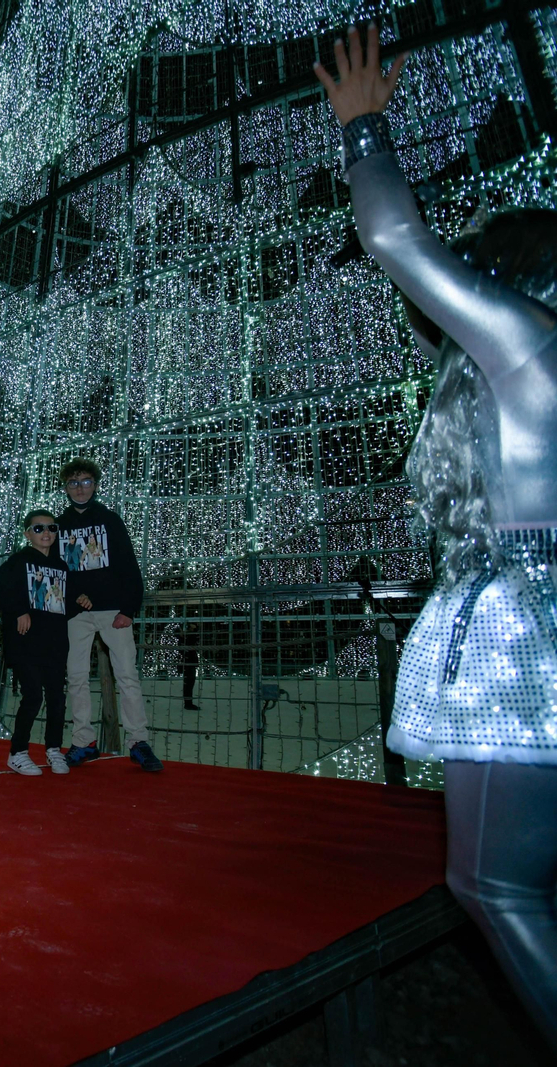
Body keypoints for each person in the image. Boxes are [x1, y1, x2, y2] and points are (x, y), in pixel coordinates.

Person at [316, 25, 556, 1043]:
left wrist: (364, 127)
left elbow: (398, 242)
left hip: (530, 634)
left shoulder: (529, 342)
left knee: (493, 884)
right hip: (526, 611)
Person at [56, 458, 162, 772]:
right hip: (75, 613)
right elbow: (59, 571)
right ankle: (83, 740)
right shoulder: (59, 525)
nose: (79, 488)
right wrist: (75, 597)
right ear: (65, 487)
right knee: (75, 677)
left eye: (86, 481)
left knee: (127, 676)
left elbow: (128, 565)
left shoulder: (110, 520)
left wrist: (128, 608)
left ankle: (138, 741)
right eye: (73, 483)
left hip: (113, 611)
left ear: (96, 484)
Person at [0, 511, 72, 776]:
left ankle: (53, 750)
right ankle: (18, 752)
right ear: (27, 533)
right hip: (26, 643)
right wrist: (18, 610)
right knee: (33, 696)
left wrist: (82, 599)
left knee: (57, 698)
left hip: (55, 642)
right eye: (38, 529)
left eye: (51, 527)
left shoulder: (62, 565)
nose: (45, 532)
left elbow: (63, 603)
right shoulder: (19, 561)